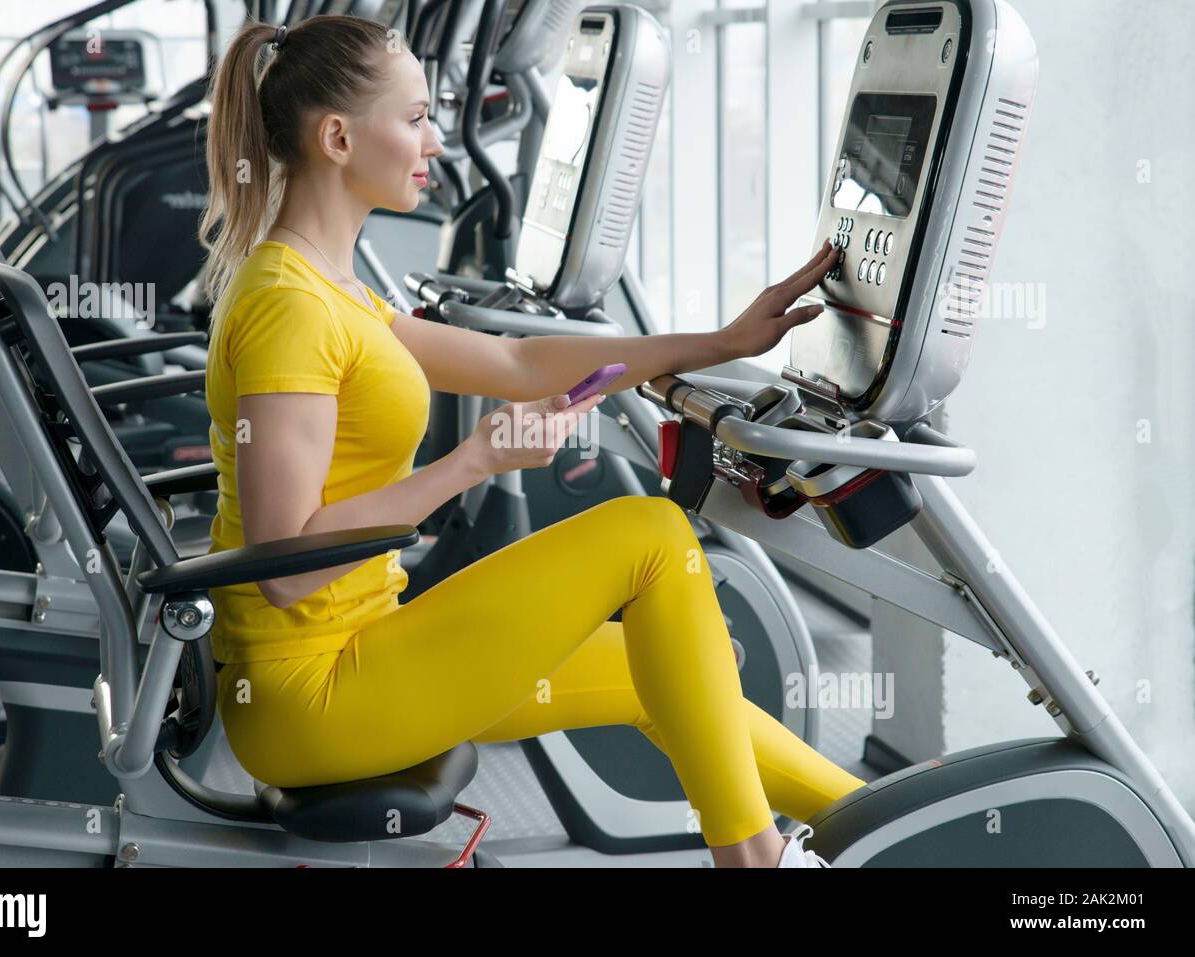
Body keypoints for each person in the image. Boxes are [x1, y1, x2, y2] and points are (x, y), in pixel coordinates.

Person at [199, 14, 862, 868]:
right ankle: (757, 860)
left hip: (359, 652)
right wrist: (471, 463)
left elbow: (516, 360)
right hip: (312, 694)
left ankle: (895, 823)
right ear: (336, 137)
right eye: (414, 119)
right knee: (653, 536)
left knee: (652, 666)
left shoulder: (329, 286)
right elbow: (284, 570)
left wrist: (720, 342)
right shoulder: (291, 306)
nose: (434, 140)